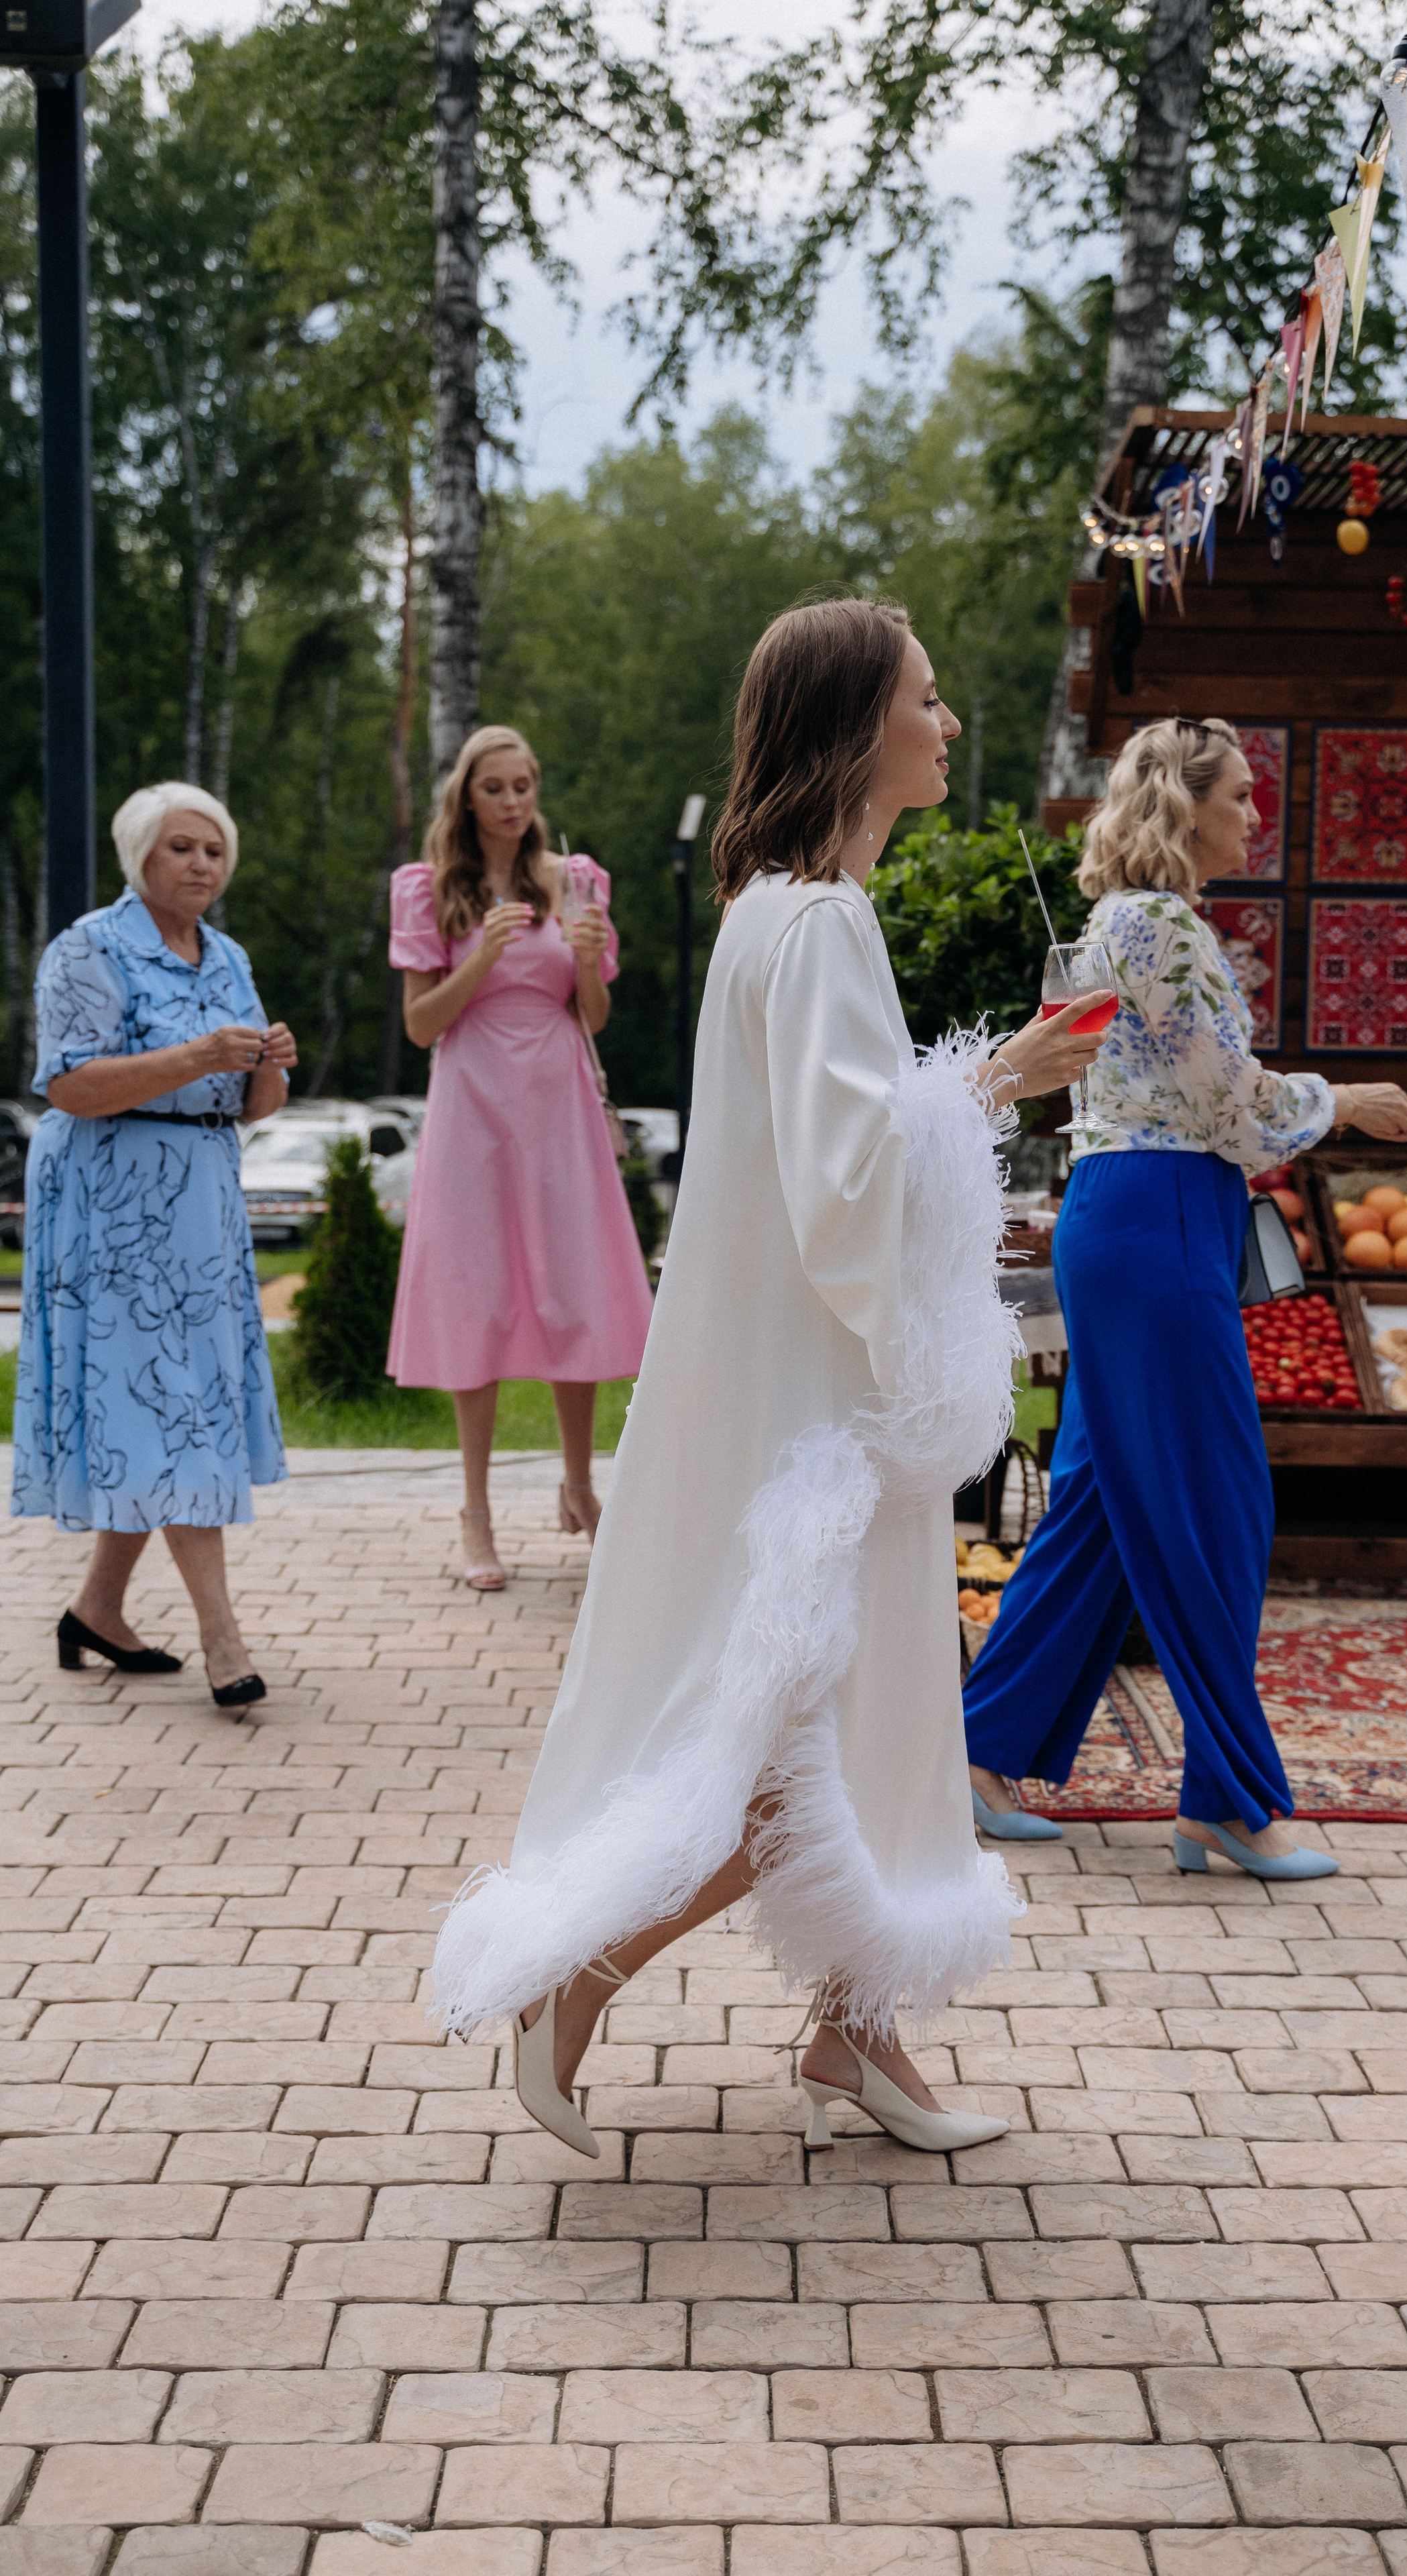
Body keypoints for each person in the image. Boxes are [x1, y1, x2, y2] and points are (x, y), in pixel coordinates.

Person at [430, 598, 1102, 2155]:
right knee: (776, 1748)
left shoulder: (774, 913)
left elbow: (835, 1158)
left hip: (815, 1404)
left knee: (859, 1722)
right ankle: (572, 1980)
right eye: (925, 700)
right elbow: (846, 1177)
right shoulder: (813, 922)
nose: (945, 726)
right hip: (823, 1418)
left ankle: (855, 2034)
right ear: (859, 725)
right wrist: (999, 1073)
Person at [963, 716, 1407, 1878]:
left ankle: (978, 1751)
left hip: (1134, 1218)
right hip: (1161, 1220)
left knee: (1104, 1509)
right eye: (1240, 793)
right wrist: (1351, 1099)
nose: (1254, 812)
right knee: (1219, 1505)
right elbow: (1234, 1105)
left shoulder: (1120, 926)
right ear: (1186, 805)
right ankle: (1227, 1798)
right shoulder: (1160, 926)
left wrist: (1320, 1101)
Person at [11, 784, 295, 1711]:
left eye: (215, 850)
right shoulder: (88, 948)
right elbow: (69, 1086)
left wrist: (269, 1069)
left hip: (202, 1212)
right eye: (181, 848)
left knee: (170, 1409)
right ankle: (225, 1639)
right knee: (173, 1413)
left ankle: (96, 1608)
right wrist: (196, 1058)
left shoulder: (229, 956)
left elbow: (251, 1105)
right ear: (140, 855)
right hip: (113, 1207)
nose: (201, 865)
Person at [388, 724, 655, 1587]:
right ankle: (476, 1516)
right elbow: (423, 1025)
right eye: (495, 788)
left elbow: (595, 1017)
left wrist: (586, 966)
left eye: (524, 786)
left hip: (558, 1102)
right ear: (467, 796)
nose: (512, 802)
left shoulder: (572, 880)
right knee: (478, 1295)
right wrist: (485, 959)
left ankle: (578, 1488)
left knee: (572, 1285)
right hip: (471, 1104)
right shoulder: (427, 890)